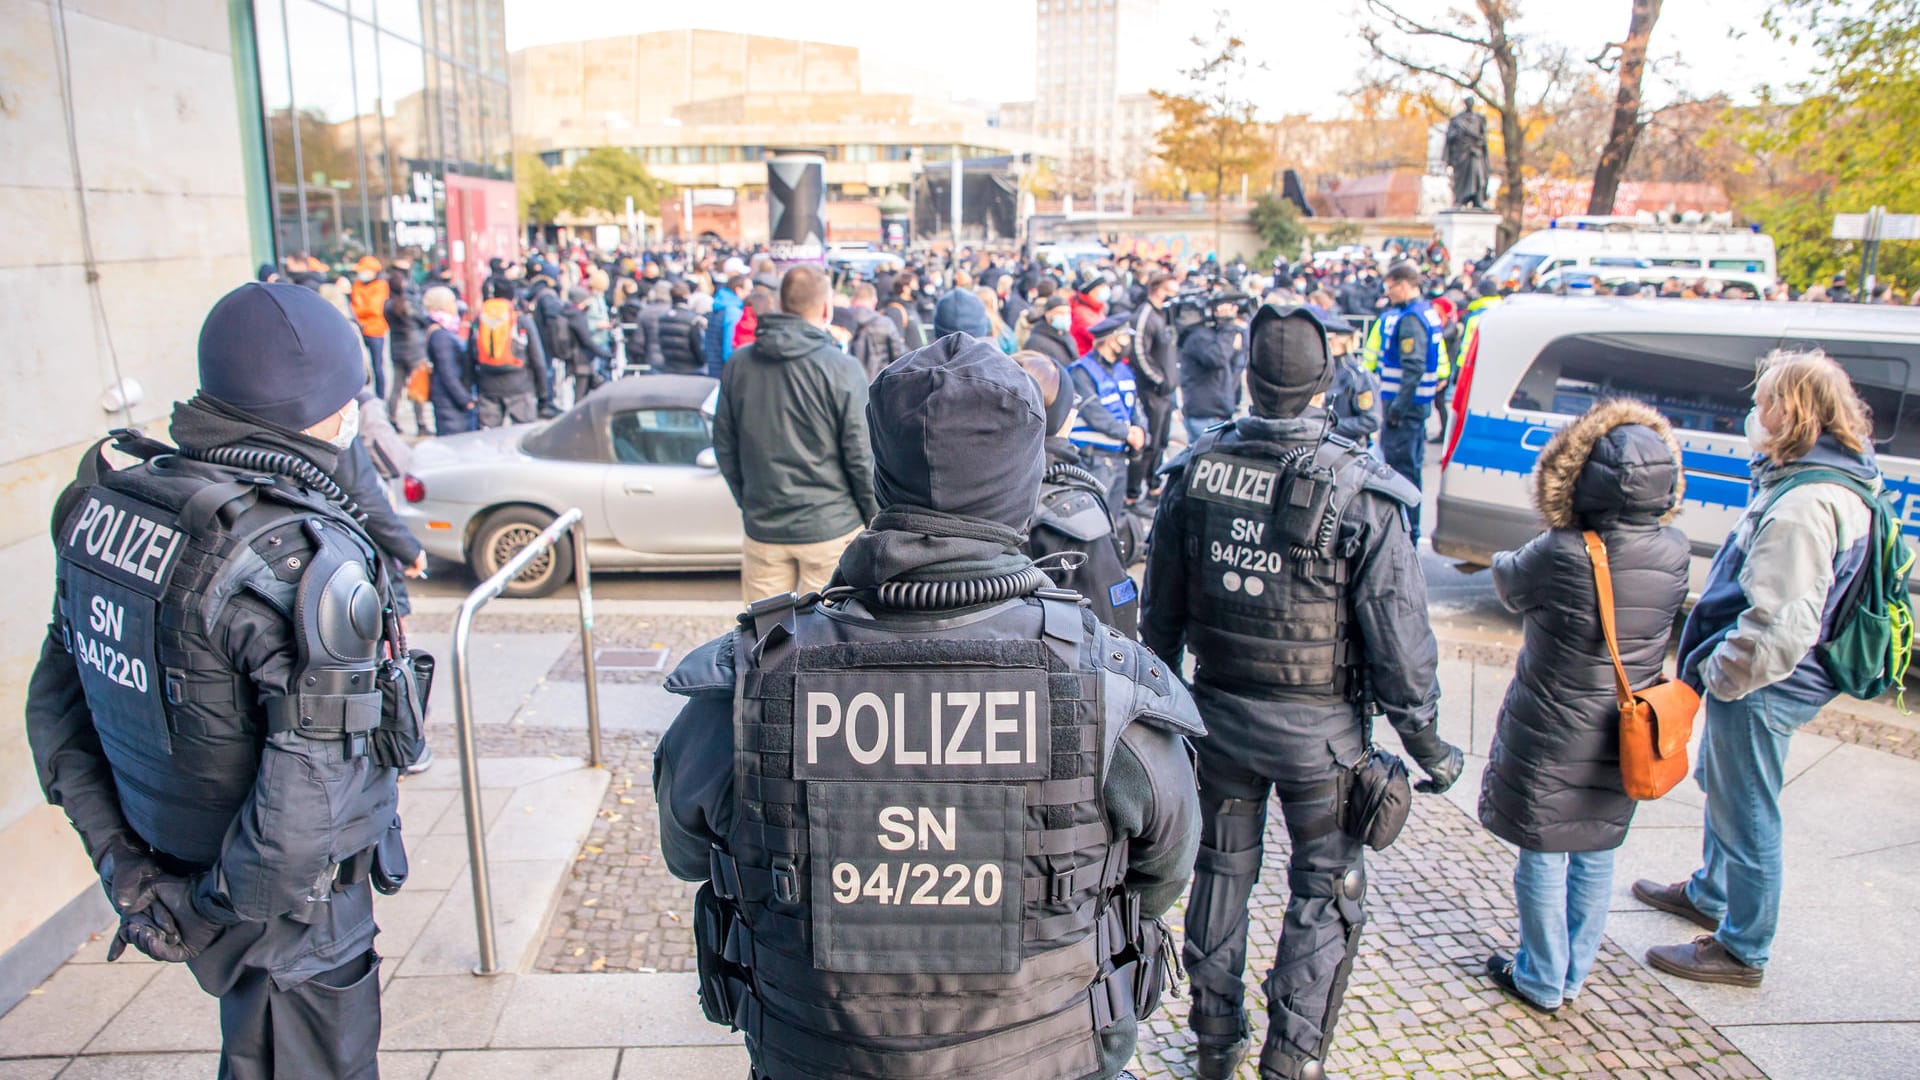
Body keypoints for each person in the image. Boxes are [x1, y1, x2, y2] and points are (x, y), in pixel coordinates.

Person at [654, 332, 1202, 1080]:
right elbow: (1161, 874)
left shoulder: (753, 678)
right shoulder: (1108, 686)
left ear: (883, 475)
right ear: (1026, 479)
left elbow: (687, 853)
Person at [26, 282, 426, 1078]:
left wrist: (129, 871)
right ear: (319, 405)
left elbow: (56, 711)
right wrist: (210, 914)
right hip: (298, 916)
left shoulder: (114, 505)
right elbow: (306, 806)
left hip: (188, 862)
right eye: (348, 397)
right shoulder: (300, 563)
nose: (355, 414)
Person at [1142, 303, 1463, 1080]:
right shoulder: (1363, 490)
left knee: (1220, 873)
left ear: (1247, 376)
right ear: (1325, 383)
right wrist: (1430, 748)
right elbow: (1400, 640)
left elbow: (1160, 619)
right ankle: (1291, 1059)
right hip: (1323, 737)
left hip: (1221, 719)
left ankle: (1215, 1039)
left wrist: (1163, 716)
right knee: (1326, 891)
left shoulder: (1198, 469)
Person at [1636, 350, 1881, 988]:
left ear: (1791, 412)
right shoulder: (1825, 476)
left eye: (1763, 401)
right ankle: (1710, 892)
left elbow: (1782, 625)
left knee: (1747, 808)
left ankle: (1743, 948)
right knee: (1730, 790)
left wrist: (1722, 676)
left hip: (1766, 684)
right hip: (1770, 677)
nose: (1752, 412)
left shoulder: (1806, 503)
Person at [1477, 401, 1689, 1013]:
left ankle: (1540, 977)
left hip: (1554, 728)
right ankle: (1572, 975)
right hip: (1624, 730)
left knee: (1543, 851)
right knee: (1595, 851)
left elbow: (1507, 580)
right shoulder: (1675, 550)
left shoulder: (1563, 550)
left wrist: (1543, 535)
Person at [712, 266, 880, 604]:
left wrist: (751, 503)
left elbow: (724, 445)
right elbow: (861, 456)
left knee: (766, 632)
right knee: (827, 630)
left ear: (779, 304)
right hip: (831, 526)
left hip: (766, 525)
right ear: (826, 309)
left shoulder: (740, 365)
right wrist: (873, 521)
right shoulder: (842, 368)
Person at [1015, 350, 1139, 634]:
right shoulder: (1074, 512)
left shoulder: (973, 480)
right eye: (1072, 405)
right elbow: (1116, 626)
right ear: (1061, 416)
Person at [1376, 261, 1446, 543]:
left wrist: (1397, 409)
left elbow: (1413, 367)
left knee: (1401, 476)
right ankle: (1408, 534)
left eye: (1390, 287)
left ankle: (1404, 536)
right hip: (1416, 409)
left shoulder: (1410, 320)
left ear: (1403, 285)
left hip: (1405, 412)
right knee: (1410, 471)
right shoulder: (1426, 312)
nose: (1388, 293)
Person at [1067, 314, 1147, 512]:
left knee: (1113, 517)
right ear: (1112, 340)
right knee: (1094, 515)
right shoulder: (1081, 371)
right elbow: (1094, 413)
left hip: (1119, 456)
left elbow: (1134, 405)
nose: (1129, 343)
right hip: (1094, 459)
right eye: (1125, 337)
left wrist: (1140, 429)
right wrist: (1127, 433)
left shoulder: (1124, 370)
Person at [467, 278, 554, 426]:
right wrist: (543, 394)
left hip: (488, 387)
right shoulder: (521, 321)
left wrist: (471, 387)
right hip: (521, 387)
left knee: (490, 436)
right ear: (512, 298)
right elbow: (538, 360)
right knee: (523, 433)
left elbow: (469, 359)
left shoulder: (478, 321)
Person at [1128, 273, 1181, 503]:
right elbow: (1139, 352)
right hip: (1151, 392)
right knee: (1149, 442)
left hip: (1167, 393)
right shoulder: (1145, 314)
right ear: (1158, 288)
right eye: (1170, 290)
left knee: (1161, 442)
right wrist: (1158, 380)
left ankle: (1154, 485)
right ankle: (1133, 493)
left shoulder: (1165, 313)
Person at [1177, 296, 1247, 441]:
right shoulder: (1198, 337)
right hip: (1205, 415)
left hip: (1217, 411)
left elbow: (1235, 365)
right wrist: (1227, 324)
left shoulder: (1213, 336)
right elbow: (1218, 358)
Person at [1315, 308, 1380, 446]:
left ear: (1338, 342)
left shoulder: (1356, 376)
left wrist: (1329, 425)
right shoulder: (1316, 368)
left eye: (1327, 339)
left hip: (1342, 447)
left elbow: (1370, 421)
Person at [382, 267, 430, 435]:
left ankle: (392, 419)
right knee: (417, 386)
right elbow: (423, 320)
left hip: (397, 348)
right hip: (414, 348)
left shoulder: (388, 306)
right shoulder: (409, 303)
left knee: (396, 386)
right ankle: (421, 423)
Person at [349, 256, 391, 401]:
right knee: (359, 365)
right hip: (360, 329)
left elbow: (374, 308)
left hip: (375, 331)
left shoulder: (381, 285)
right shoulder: (357, 285)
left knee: (377, 366)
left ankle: (380, 397)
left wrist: (360, 308)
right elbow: (353, 308)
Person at [846, 281, 906, 380]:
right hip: (878, 381)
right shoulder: (885, 323)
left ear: (852, 300)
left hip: (849, 380)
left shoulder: (842, 321)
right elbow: (899, 357)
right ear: (874, 301)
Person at [655, 283, 707, 375]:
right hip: (691, 368)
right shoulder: (693, 319)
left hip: (669, 367)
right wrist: (702, 360)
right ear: (686, 296)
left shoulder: (663, 318)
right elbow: (697, 346)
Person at [703, 273, 749, 377]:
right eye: (748, 290)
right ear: (739, 290)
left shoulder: (719, 305)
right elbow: (730, 350)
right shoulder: (733, 312)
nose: (750, 294)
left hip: (712, 366)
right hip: (725, 372)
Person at [1026, 294, 1080, 370]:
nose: (1065, 316)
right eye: (1060, 313)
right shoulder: (1036, 342)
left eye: (1068, 313)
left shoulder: (1067, 336)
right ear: (1047, 314)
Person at [1069, 267, 1113, 355]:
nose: (1105, 288)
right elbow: (1100, 336)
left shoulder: (1096, 307)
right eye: (1101, 286)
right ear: (1091, 290)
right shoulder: (1081, 313)